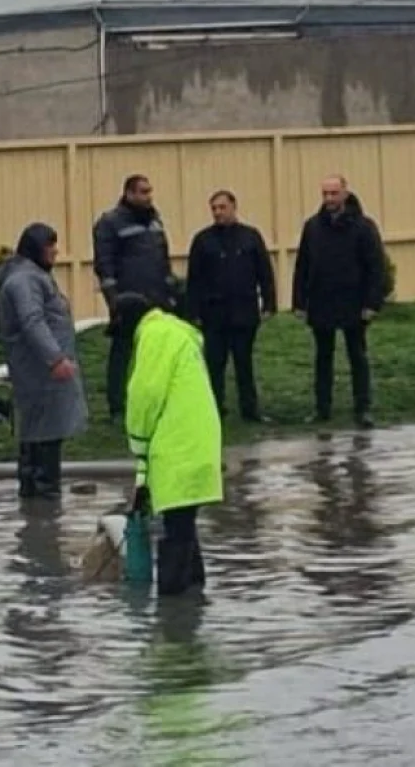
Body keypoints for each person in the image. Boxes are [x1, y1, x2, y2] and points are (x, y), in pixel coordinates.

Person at [115, 292, 223, 596]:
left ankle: (171, 612)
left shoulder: (154, 335)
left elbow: (145, 396)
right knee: (184, 525)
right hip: (196, 441)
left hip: (180, 446)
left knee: (176, 531)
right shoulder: (173, 333)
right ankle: (193, 598)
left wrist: (136, 443)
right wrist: (141, 483)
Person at [0, 221, 87, 499]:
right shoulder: (26, 280)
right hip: (41, 374)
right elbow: (32, 321)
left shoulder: (31, 276)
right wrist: (55, 358)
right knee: (44, 437)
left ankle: (36, 506)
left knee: (38, 434)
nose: (56, 252)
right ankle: (44, 506)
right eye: (50, 246)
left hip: (39, 372)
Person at [292, 175, 387, 429]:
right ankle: (322, 409)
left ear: (345, 193)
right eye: (325, 194)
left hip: (354, 303)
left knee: (357, 356)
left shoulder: (364, 227)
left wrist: (372, 303)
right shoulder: (312, 227)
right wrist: (299, 302)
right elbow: (303, 265)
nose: (329, 199)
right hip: (321, 301)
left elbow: (376, 267)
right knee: (323, 357)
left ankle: (363, 408)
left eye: (334, 194)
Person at [93, 174, 180, 422]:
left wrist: (170, 289)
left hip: (157, 298)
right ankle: (117, 407)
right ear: (129, 193)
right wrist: (114, 299)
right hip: (129, 299)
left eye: (150, 192)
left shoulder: (154, 221)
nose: (148, 197)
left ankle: (154, 400)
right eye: (143, 192)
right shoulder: (111, 223)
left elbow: (163, 257)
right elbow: (104, 263)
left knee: (156, 353)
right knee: (122, 352)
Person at [185, 189, 277, 422]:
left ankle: (250, 410)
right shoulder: (203, 240)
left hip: (244, 311)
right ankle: (214, 409)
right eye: (214, 208)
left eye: (222, 207)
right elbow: (194, 279)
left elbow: (264, 272)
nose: (218, 213)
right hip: (213, 313)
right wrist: (193, 311)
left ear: (234, 207)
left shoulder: (250, 237)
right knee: (215, 364)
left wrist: (269, 303)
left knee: (244, 364)